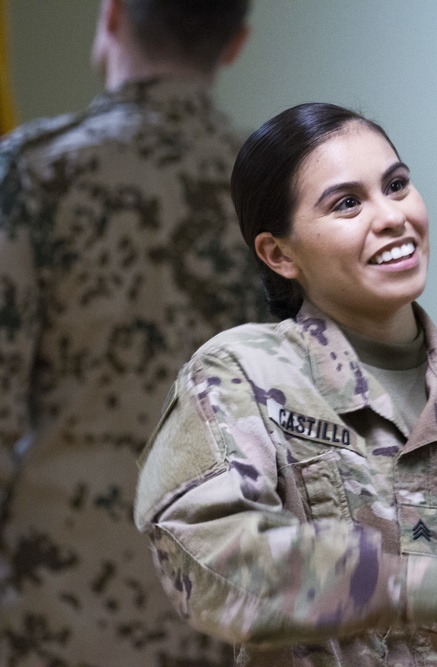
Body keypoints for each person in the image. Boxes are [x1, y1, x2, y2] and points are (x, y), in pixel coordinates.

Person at [132, 102, 437, 665]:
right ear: (279, 253)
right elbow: (211, 557)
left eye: (396, 185)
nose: (391, 216)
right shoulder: (240, 374)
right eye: (347, 203)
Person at [0, 0, 266, 664]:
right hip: (220, 609)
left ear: (111, 15)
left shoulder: (34, 171)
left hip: (56, 612)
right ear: (236, 43)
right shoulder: (278, 195)